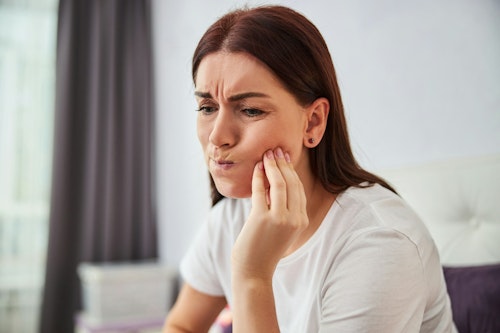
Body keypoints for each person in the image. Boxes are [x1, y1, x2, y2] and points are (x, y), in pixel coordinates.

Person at [163, 5, 456, 333]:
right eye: (207, 107)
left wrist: (252, 275)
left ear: (313, 122)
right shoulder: (231, 218)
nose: (217, 136)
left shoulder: (379, 243)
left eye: (249, 110)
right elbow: (182, 325)